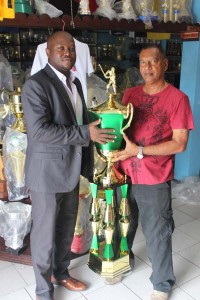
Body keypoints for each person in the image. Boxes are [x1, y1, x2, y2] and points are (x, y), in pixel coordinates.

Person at [22, 31, 115, 300]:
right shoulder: (36, 85)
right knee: (44, 236)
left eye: (71, 48)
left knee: (65, 229)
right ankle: (43, 290)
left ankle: (60, 273)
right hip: (47, 175)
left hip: (71, 171)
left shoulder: (74, 82)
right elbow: (40, 131)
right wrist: (87, 133)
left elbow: (79, 119)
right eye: (60, 48)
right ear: (48, 52)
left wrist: (103, 125)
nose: (67, 52)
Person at [112, 44, 194, 300]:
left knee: (157, 232)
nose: (147, 67)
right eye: (143, 62)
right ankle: (124, 262)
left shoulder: (178, 99)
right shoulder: (130, 95)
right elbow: (119, 131)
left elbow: (179, 143)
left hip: (154, 178)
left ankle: (162, 283)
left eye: (153, 62)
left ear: (165, 65)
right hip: (123, 174)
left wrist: (139, 151)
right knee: (123, 226)